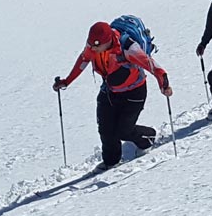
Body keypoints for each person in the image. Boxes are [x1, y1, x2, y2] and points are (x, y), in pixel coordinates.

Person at [54, 21, 173, 169]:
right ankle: (111, 161)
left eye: (96, 46)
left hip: (134, 93)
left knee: (123, 131)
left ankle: (147, 138)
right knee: (105, 128)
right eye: (91, 45)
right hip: (110, 90)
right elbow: (84, 60)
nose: (93, 49)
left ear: (108, 40)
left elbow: (152, 66)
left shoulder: (128, 48)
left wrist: (164, 85)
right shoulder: (93, 47)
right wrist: (66, 81)